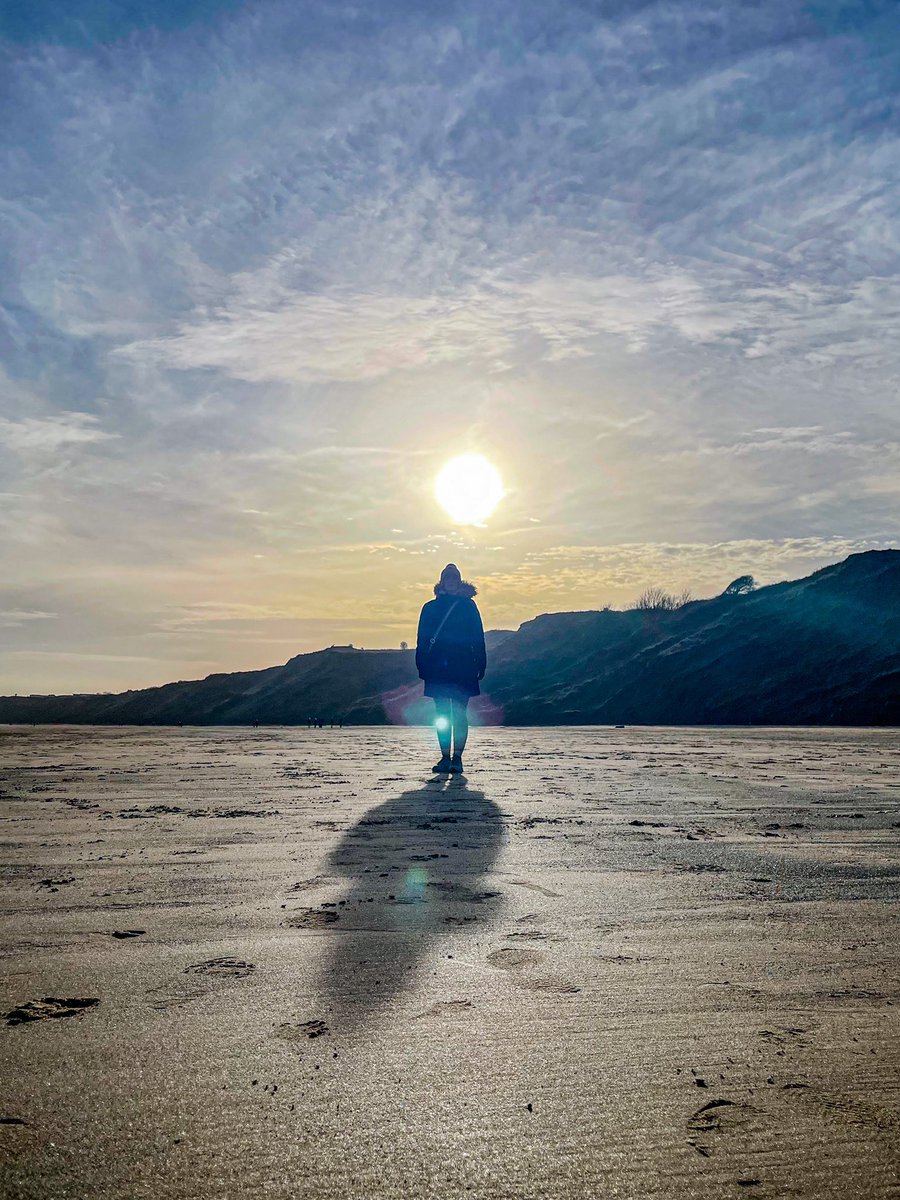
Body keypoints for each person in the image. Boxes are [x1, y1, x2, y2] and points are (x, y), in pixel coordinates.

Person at [415, 563, 486, 775]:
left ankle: (457, 758)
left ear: (459, 581)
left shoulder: (468, 607)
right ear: (442, 581)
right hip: (437, 666)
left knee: (460, 713)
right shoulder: (429, 608)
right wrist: (421, 663)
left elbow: (478, 637)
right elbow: (422, 639)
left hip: (463, 666)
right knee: (442, 713)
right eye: (448, 579)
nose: (451, 582)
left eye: (454, 579)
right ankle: (445, 757)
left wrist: (481, 662)